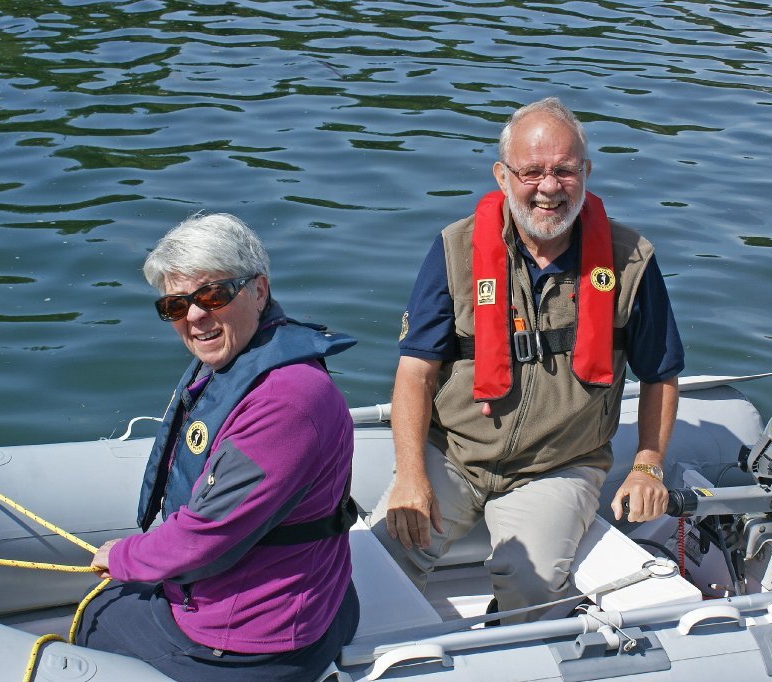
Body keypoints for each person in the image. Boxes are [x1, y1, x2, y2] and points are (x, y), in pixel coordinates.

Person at [371, 97, 684, 623]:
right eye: (531, 171)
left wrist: (647, 465)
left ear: (585, 172)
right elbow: (416, 372)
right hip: (453, 454)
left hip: (558, 465)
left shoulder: (631, 260)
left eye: (564, 170)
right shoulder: (455, 249)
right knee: (379, 559)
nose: (548, 187)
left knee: (527, 577)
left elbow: (661, 375)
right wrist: (409, 475)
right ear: (502, 175)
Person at [74, 214, 360, 681]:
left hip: (257, 641)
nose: (194, 317)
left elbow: (206, 532)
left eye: (212, 296)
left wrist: (124, 556)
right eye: (175, 305)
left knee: (97, 614)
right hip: (308, 598)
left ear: (259, 291)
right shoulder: (242, 357)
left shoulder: (286, 402)